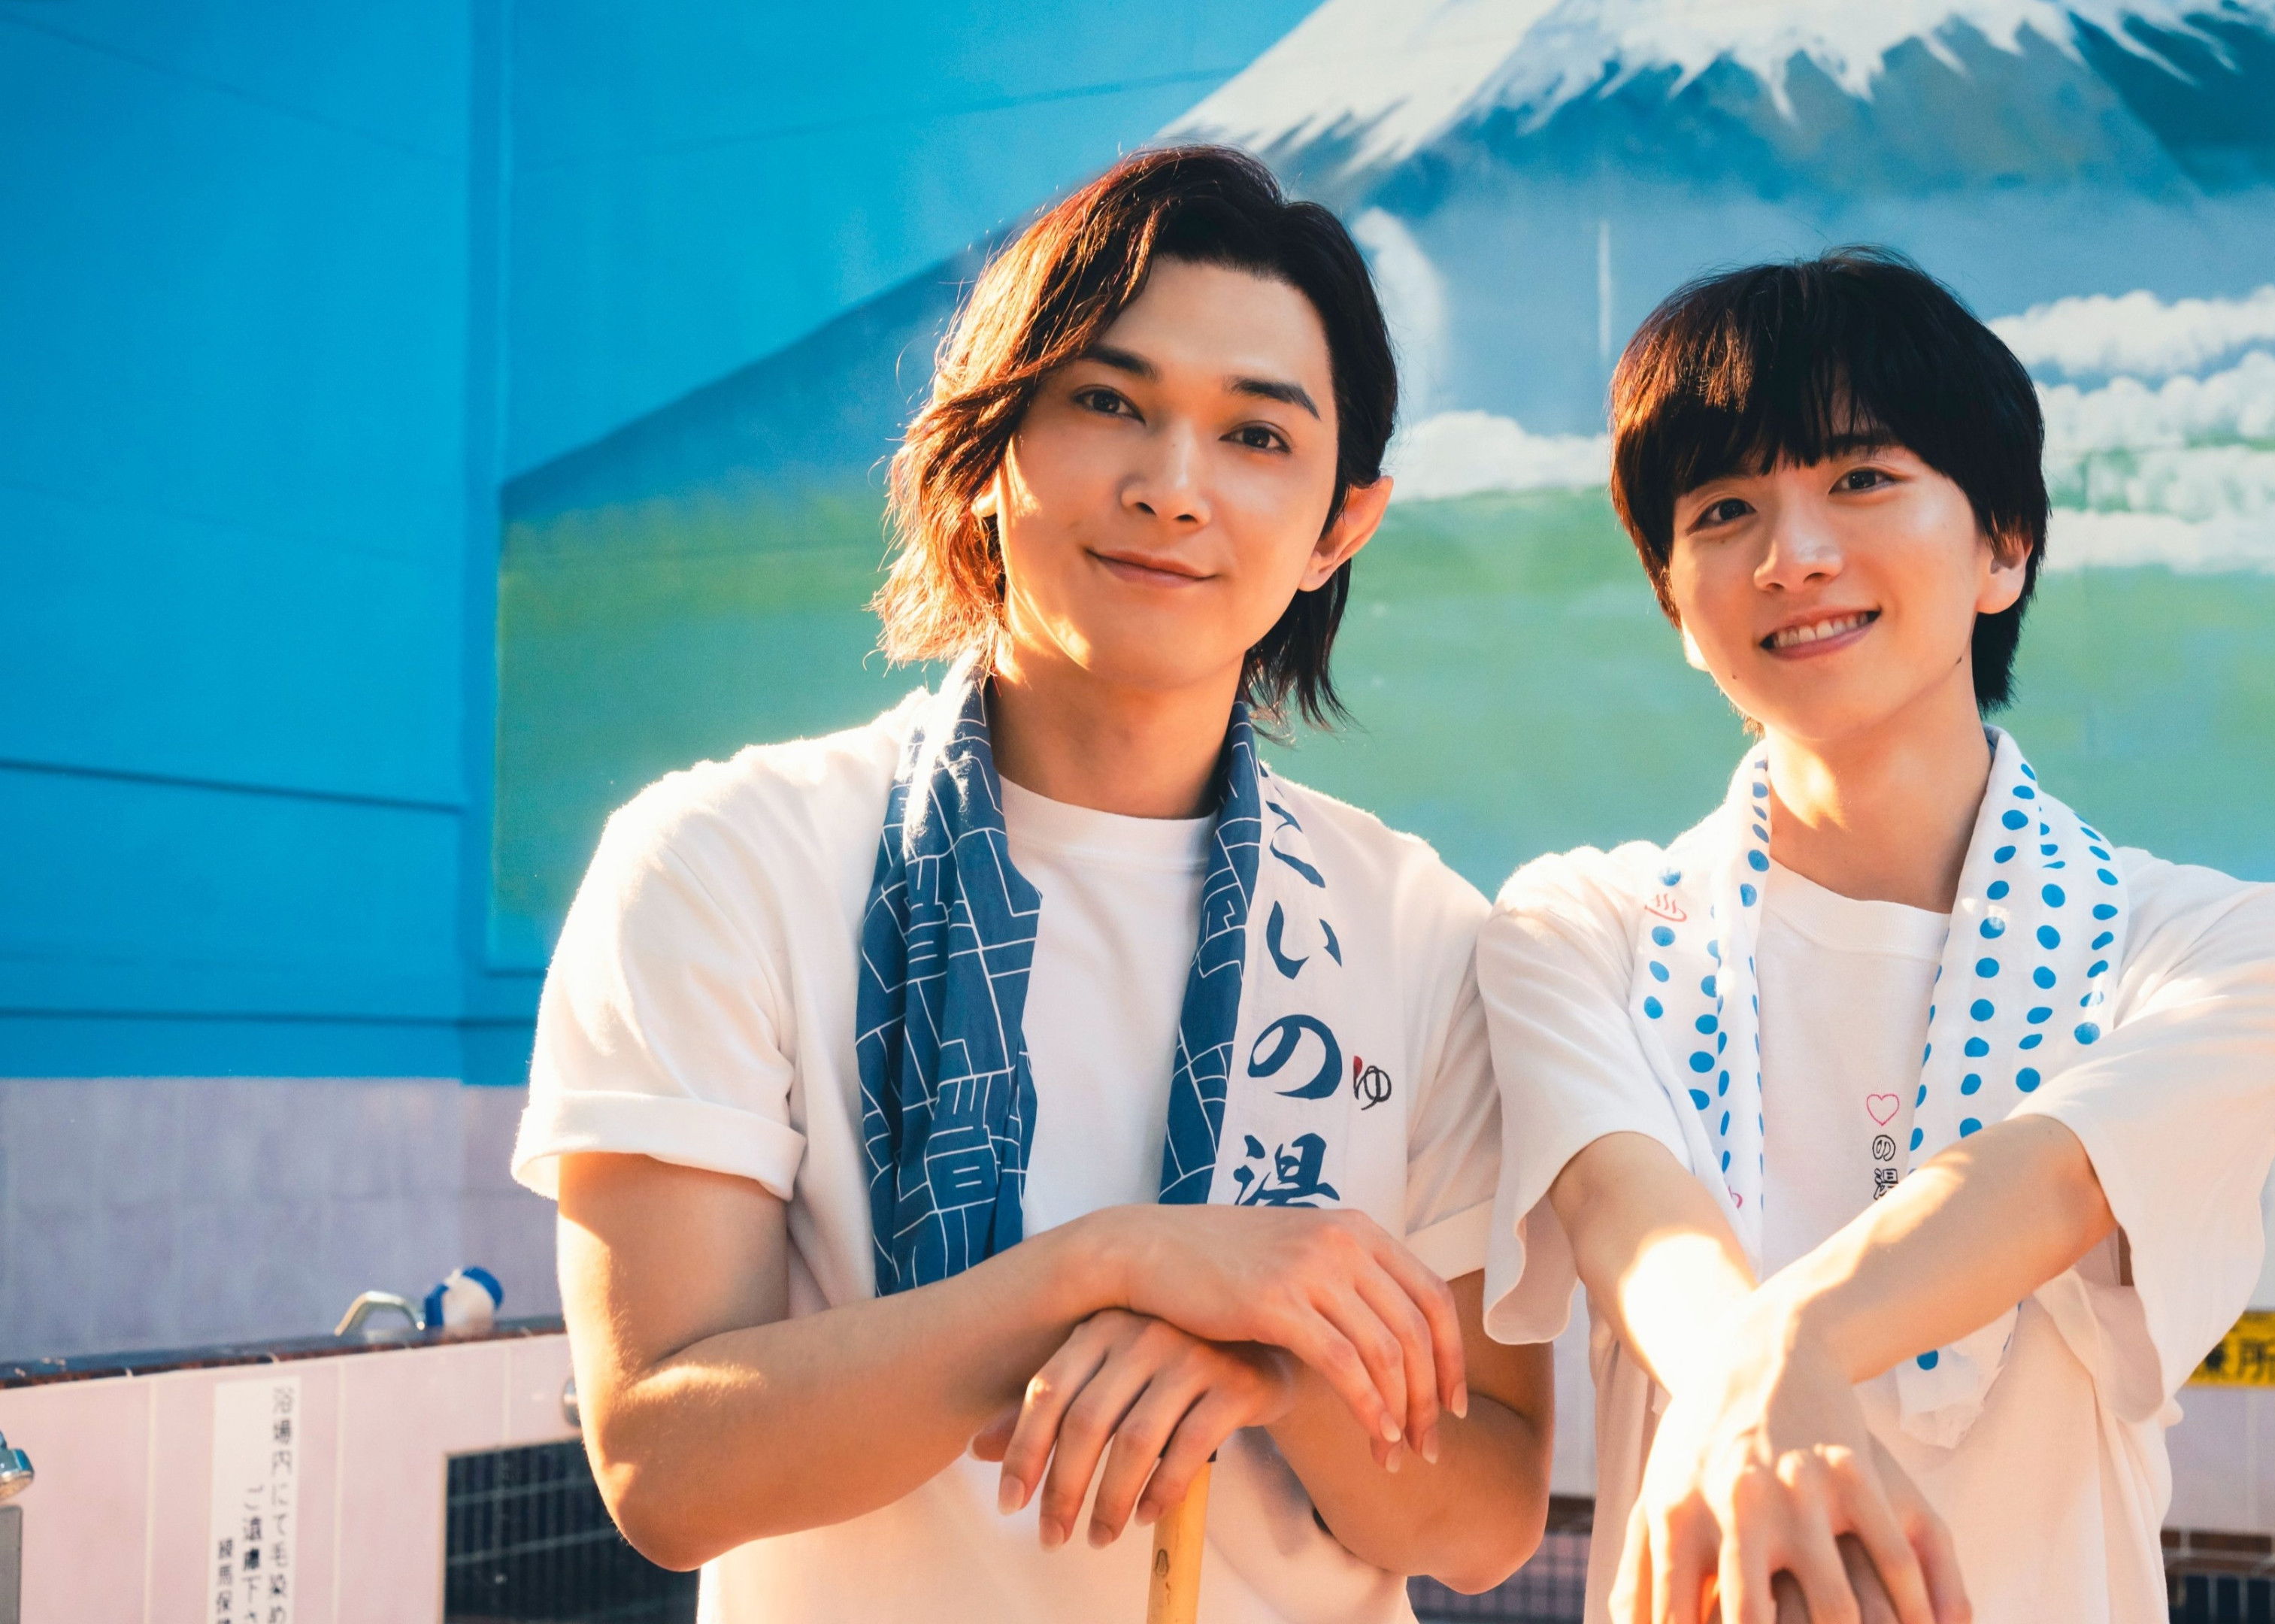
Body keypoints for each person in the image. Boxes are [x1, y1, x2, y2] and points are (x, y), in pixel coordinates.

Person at [511, 146, 1553, 1624]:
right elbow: (665, 1465)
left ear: (1343, 524)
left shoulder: (1419, 931)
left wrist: (1275, 1362)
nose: (1172, 489)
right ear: (987, 447)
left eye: (1257, 436)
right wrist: (1115, 1267)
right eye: (1108, 403)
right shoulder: (724, 862)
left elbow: (1490, 1517)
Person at [1477, 250, 2275, 1624]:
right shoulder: (1583, 930)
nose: (1794, 555)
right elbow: (1624, 1214)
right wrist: (1767, 1371)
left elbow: (2050, 1184)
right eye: (1725, 509)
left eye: (1862, 478)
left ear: (2004, 544)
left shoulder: (2210, 949)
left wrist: (1788, 1344)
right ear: (1676, 606)